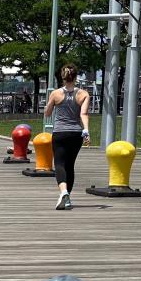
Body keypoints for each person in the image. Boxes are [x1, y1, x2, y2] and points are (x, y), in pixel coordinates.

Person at [44, 64, 90, 210]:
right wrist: (86, 130)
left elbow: (48, 113)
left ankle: (63, 192)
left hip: (60, 133)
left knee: (59, 164)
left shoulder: (56, 94)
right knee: (70, 165)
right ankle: (66, 197)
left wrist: (50, 103)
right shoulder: (83, 94)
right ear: (76, 77)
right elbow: (83, 114)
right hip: (76, 134)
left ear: (63, 78)